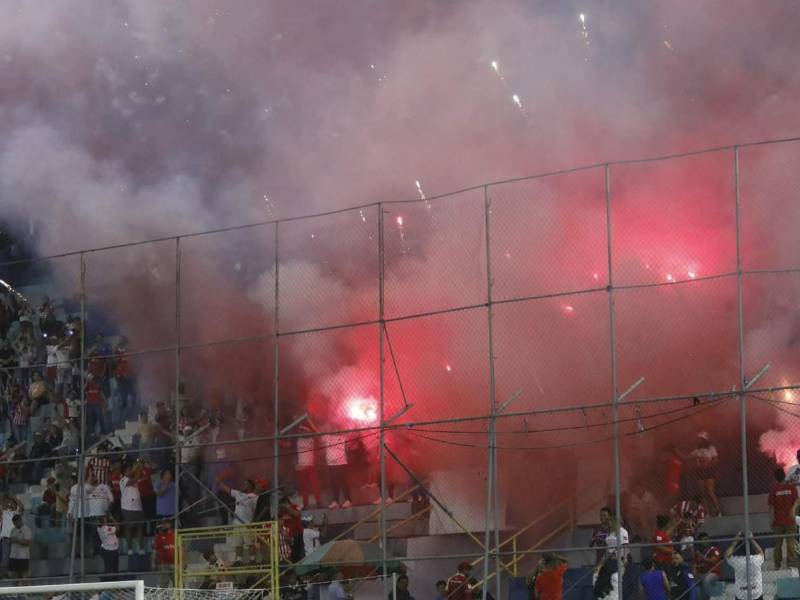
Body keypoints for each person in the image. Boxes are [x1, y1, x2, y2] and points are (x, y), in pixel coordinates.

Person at [768, 467, 797, 569]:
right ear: (785, 476)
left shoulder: (774, 490)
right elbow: (797, 500)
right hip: (790, 519)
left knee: (778, 544)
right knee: (791, 542)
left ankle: (777, 565)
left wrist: (771, 520)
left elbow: (771, 507)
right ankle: (792, 564)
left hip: (778, 520)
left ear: (775, 478)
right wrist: (793, 511)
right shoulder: (792, 488)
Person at [725, 531, 764, 600]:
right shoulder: (756, 559)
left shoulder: (737, 561)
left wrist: (735, 542)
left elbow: (727, 556)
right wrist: (752, 539)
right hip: (756, 594)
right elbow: (761, 552)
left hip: (741, 595)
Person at [690, 432, 721, 517]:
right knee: (703, 493)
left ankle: (718, 511)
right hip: (700, 471)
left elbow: (716, 460)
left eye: (701, 439)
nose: (699, 440)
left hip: (709, 470)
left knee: (710, 491)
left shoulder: (711, 448)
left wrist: (708, 463)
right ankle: (707, 512)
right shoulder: (697, 450)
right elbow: (688, 457)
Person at [323, 429, 352, 509]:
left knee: (343, 482)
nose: (334, 430)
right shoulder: (326, 437)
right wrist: (308, 420)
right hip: (331, 464)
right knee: (333, 483)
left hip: (341, 463)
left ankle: (348, 500)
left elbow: (351, 437)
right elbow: (316, 431)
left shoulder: (342, 437)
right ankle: (335, 501)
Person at [120, 466, 145, 555]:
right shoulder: (123, 480)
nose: (130, 472)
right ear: (124, 472)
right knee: (129, 529)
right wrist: (139, 468)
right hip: (128, 508)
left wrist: (136, 468)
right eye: (128, 470)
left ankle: (141, 548)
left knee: (140, 528)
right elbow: (134, 480)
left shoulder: (133, 479)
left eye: (130, 470)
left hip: (138, 507)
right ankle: (129, 548)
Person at [692, 533, 721, 600]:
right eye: (702, 540)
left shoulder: (714, 549)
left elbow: (713, 561)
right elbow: (693, 565)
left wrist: (702, 557)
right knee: (691, 581)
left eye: (706, 539)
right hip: (700, 574)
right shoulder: (697, 553)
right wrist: (694, 573)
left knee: (706, 579)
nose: (704, 541)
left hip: (713, 574)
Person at [7, 514, 31, 579]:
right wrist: (10, 541)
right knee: (14, 575)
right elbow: (10, 540)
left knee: (24, 575)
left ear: (20, 521)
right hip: (13, 556)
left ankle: (25, 589)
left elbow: (28, 542)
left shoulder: (26, 529)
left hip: (23, 556)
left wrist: (17, 540)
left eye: (16, 523)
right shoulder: (13, 530)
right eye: (14, 523)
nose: (15, 524)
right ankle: (15, 588)